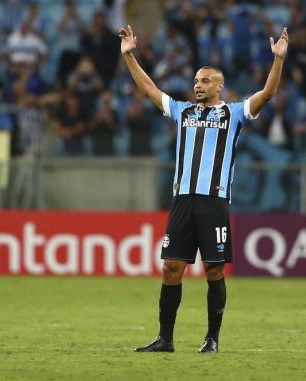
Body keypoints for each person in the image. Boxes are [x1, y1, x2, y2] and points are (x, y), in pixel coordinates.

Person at [119, 24, 289, 353]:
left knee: (213, 269)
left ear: (220, 86)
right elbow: (150, 90)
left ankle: (212, 339)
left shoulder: (235, 112)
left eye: (205, 80)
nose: (198, 85)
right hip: (182, 200)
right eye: (196, 80)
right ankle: (165, 339)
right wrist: (129, 56)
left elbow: (267, 94)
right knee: (171, 268)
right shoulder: (183, 112)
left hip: (213, 202)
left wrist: (278, 60)